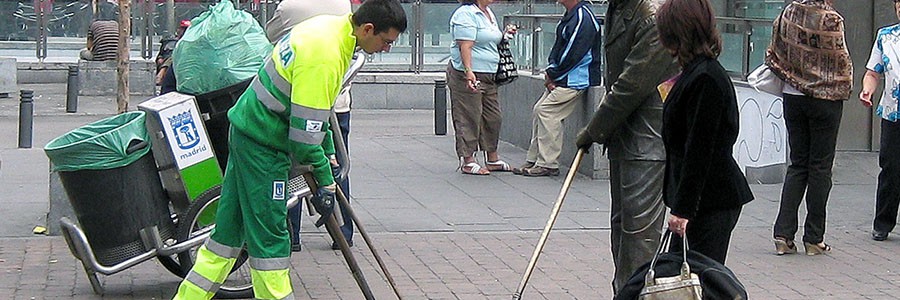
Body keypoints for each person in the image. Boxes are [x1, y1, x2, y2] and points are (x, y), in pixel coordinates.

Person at [172, 1, 406, 298]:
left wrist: (329, 150)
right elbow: (304, 137)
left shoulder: (328, 29)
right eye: (386, 41)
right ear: (368, 28)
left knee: (227, 235)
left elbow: (318, 110)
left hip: (248, 130)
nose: (386, 49)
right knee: (270, 240)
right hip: (263, 146)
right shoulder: (326, 54)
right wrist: (324, 180)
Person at [574, 0, 678, 293]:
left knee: (638, 238)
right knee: (622, 232)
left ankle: (633, 294)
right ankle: (625, 293)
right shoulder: (619, 7)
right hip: (625, 138)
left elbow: (631, 84)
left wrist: (594, 129)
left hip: (647, 142)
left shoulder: (653, 15)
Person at [654, 0, 754, 264]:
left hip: (710, 199)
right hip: (703, 198)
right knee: (687, 276)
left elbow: (700, 148)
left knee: (699, 277)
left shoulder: (706, 78)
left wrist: (683, 209)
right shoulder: (697, 73)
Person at [266, 0, 359, 252]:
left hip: (297, 100)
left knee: (293, 167)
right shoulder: (342, 5)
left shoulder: (288, 7)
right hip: (335, 102)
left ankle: (292, 234)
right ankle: (343, 231)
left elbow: (270, 34)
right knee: (337, 162)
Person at [767, 0, 852, 256]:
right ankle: (814, 238)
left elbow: (776, 48)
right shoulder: (831, 18)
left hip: (793, 95)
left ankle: (783, 234)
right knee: (820, 167)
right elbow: (840, 60)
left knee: (798, 164)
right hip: (825, 100)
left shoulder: (788, 13)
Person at [512, 0, 601, 177]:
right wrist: (552, 72)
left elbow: (573, 53)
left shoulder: (583, 17)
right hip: (565, 76)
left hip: (575, 79)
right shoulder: (573, 15)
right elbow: (560, 48)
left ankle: (548, 163)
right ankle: (536, 157)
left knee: (546, 111)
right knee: (540, 109)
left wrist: (553, 73)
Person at [447, 0, 514, 175]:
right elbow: (465, 46)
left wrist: (505, 34)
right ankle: (468, 160)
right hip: (468, 73)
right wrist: (468, 71)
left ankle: (492, 157)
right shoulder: (465, 14)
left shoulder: (488, 13)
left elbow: (490, 40)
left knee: (493, 116)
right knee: (469, 115)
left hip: (490, 73)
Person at [860, 0, 900, 242]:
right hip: (893, 113)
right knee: (891, 168)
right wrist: (868, 90)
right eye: (898, 3)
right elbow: (873, 72)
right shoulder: (886, 36)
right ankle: (883, 223)